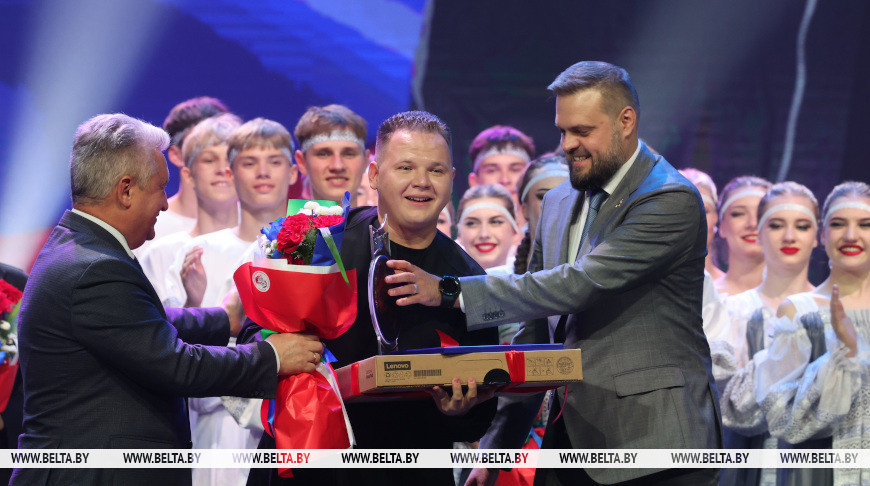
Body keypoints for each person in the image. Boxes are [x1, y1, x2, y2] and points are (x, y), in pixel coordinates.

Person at [387, 61, 721, 485]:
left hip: (656, 446)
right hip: (571, 444)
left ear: (626, 121)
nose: (568, 145)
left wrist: (451, 291)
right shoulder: (559, 200)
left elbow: (579, 284)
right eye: (562, 131)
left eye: (582, 131)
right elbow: (536, 334)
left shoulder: (668, 197)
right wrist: (497, 450)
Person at [11, 113, 323, 486]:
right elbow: (175, 364)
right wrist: (271, 357)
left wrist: (224, 319)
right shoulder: (94, 267)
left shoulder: (82, 248)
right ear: (126, 191)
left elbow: (142, 322)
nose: (164, 204)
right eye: (160, 188)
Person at [240, 110, 498, 486]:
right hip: (309, 465)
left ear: (452, 179)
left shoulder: (468, 279)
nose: (422, 182)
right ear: (374, 175)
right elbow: (253, 337)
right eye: (405, 167)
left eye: (437, 170)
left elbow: (481, 414)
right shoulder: (315, 239)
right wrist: (287, 351)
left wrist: (459, 410)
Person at [164, 117, 299, 486]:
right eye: (249, 162)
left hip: (292, 422)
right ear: (231, 172)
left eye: (274, 161)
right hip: (216, 432)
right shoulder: (196, 253)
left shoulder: (314, 251)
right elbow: (169, 355)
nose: (262, 172)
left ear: (293, 171)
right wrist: (193, 302)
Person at [754, 181, 870, 486]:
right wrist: (842, 356)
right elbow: (782, 419)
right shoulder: (799, 312)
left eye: (865, 224)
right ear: (823, 235)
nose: (851, 235)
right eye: (838, 224)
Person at [712, 182, 821, 486]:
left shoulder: (835, 315)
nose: (789, 236)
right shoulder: (731, 312)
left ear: (818, 235)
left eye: (802, 226)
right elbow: (724, 405)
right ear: (758, 233)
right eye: (776, 225)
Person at [140, 113, 242, 304]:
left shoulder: (266, 246)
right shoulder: (161, 253)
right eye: (209, 160)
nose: (223, 169)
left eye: (230, 160)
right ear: (188, 175)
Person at [135, 96, 230, 257]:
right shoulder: (147, 227)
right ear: (176, 155)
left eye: (227, 152)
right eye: (202, 147)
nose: (221, 167)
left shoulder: (255, 227)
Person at [293, 104, 369, 206]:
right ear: (302, 162)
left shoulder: (385, 217)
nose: (337, 166)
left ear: (365, 161)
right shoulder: (278, 217)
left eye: (349, 154)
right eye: (323, 154)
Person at [467, 125, 535, 231]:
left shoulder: (550, 237)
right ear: (474, 182)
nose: (505, 180)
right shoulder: (459, 242)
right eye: (492, 171)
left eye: (515, 169)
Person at [714, 176, 772, 297]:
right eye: (738, 214)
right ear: (722, 226)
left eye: (761, 213)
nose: (752, 224)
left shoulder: (800, 301)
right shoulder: (704, 298)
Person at [513, 153, 569, 274]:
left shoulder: (594, 276)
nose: (556, 206)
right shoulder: (496, 277)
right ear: (524, 208)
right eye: (544, 196)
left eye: (567, 197)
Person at [681, 168, 724, 281]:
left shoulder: (735, 290)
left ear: (716, 217)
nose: (694, 220)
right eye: (683, 211)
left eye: (704, 210)